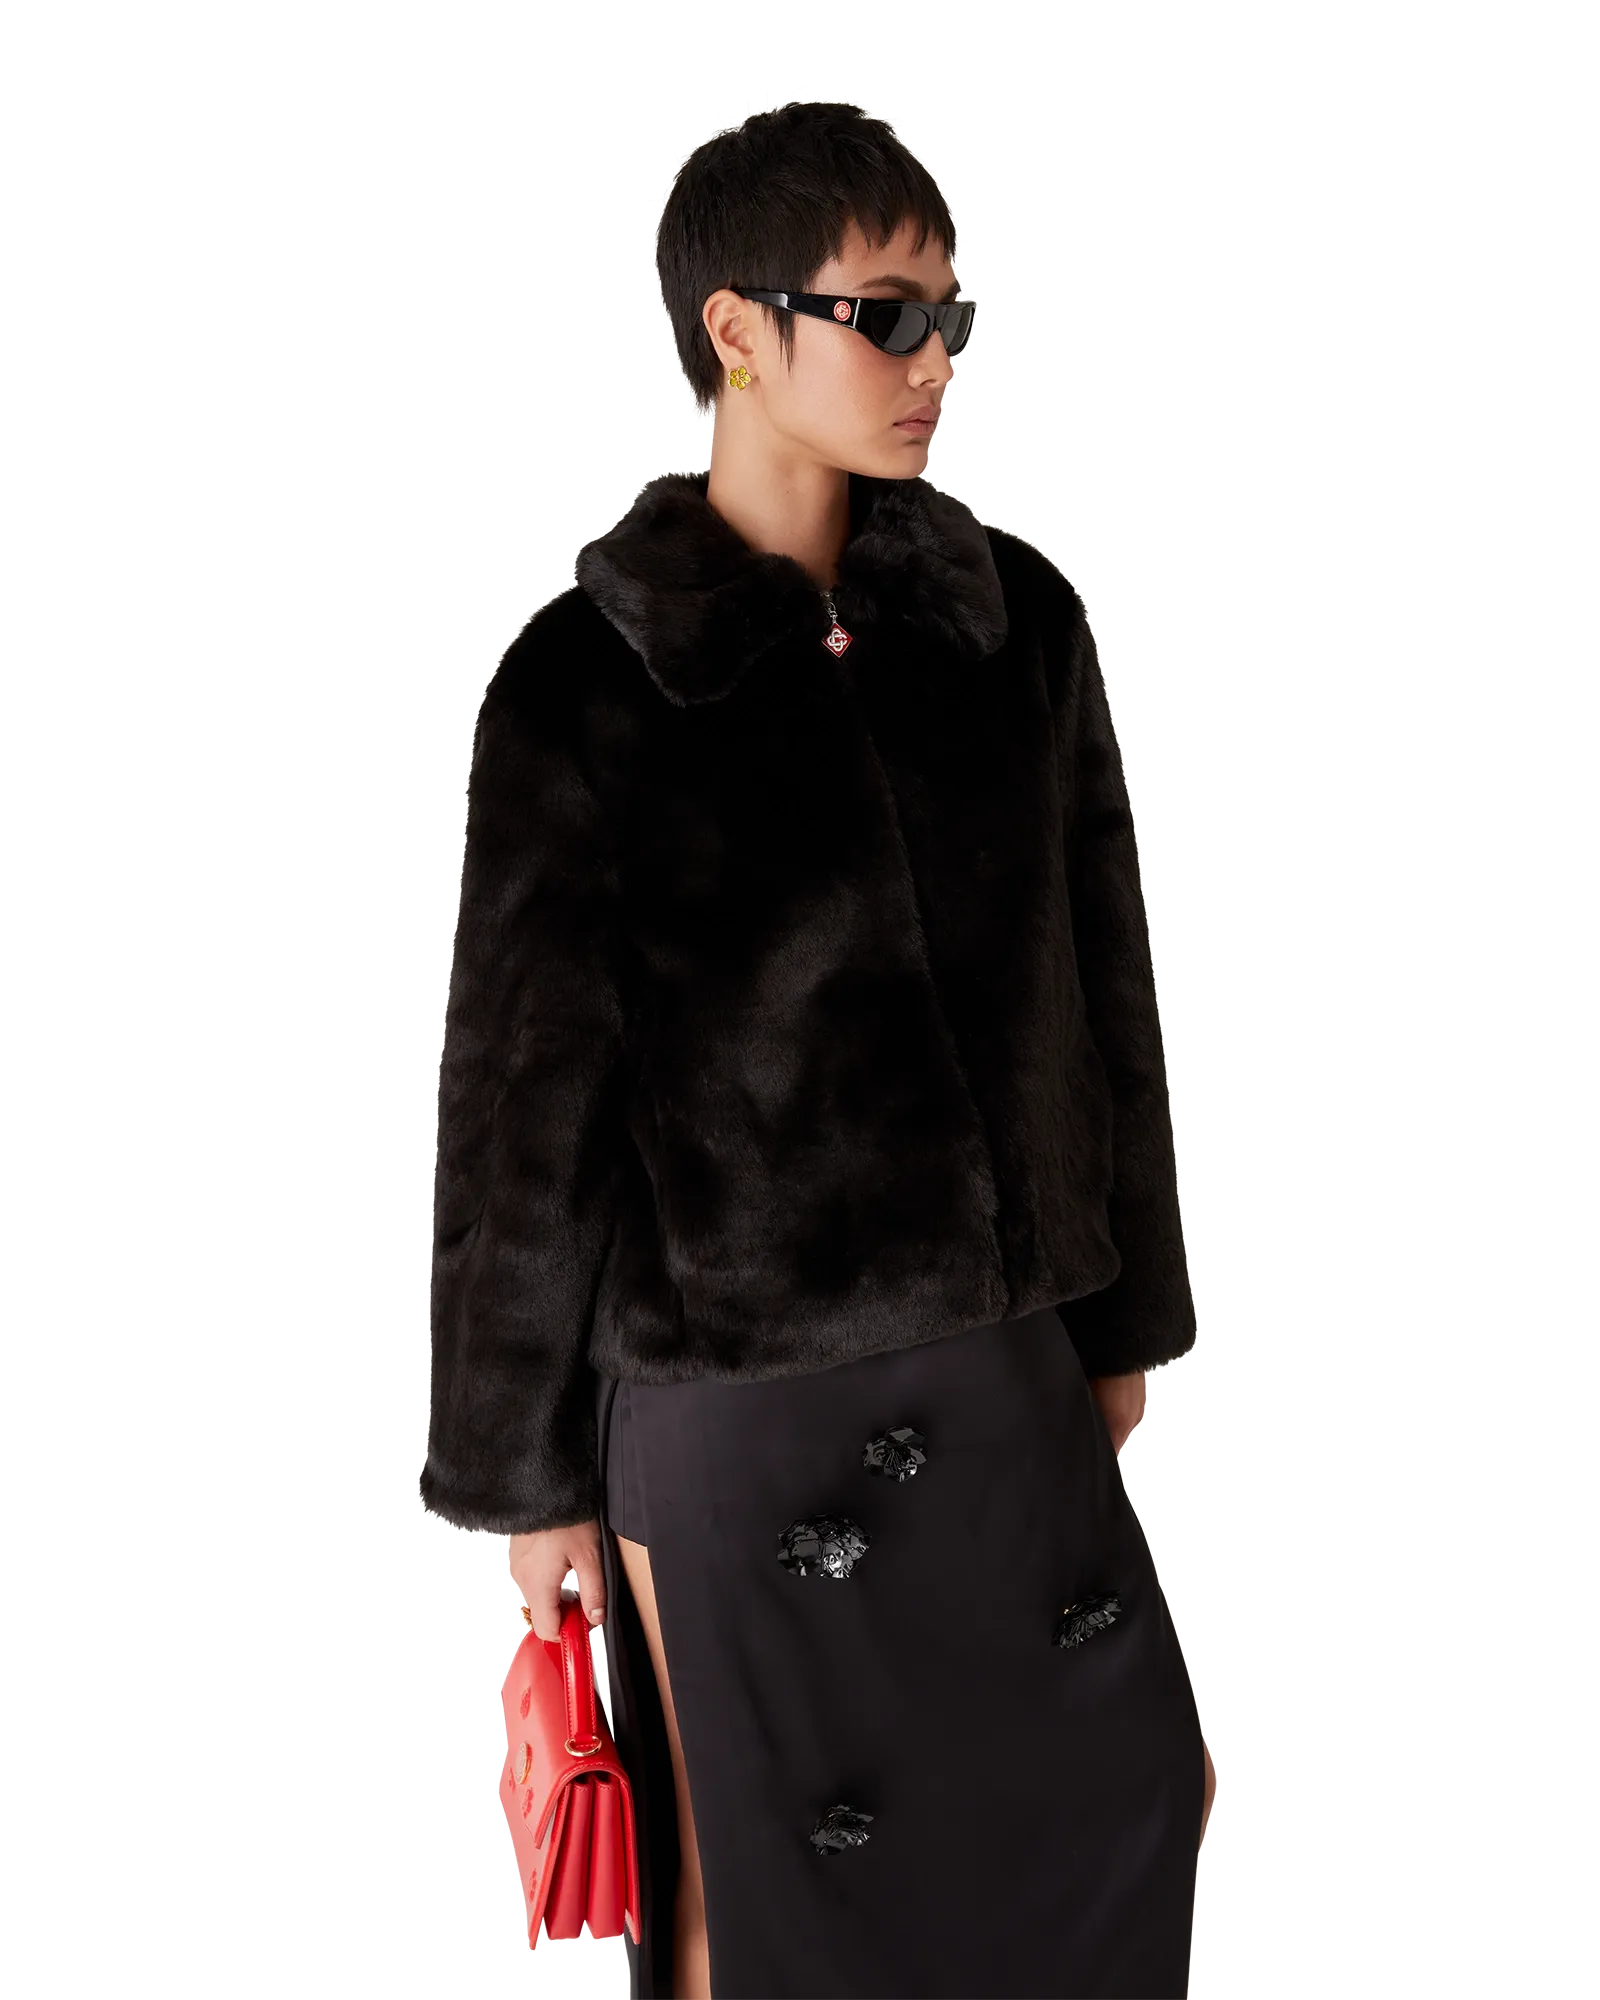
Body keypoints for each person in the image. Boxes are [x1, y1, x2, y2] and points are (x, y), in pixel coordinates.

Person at [419, 96, 1216, 2000]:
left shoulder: (1014, 626)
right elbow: (520, 1120)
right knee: (764, 1898)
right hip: (737, 1418)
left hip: (1006, 1374)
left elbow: (1109, 987)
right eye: (884, 314)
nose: (935, 361)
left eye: (953, 317)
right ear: (737, 331)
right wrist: (526, 1483)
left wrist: (1119, 1314)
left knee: (1121, 1806)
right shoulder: (583, 684)